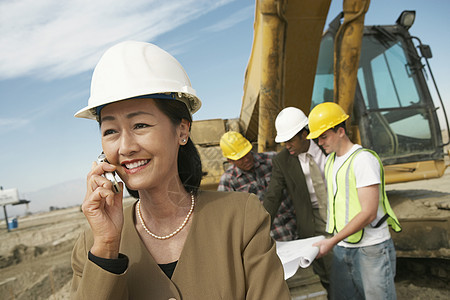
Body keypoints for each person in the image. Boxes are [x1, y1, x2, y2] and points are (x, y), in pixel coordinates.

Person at [70, 41, 290, 299]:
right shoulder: (92, 247)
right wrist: (107, 248)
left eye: (140, 125)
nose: (125, 147)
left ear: (182, 130)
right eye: (110, 131)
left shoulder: (242, 217)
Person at [307, 102, 402, 300]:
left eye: (324, 136)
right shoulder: (332, 161)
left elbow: (368, 212)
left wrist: (331, 241)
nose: (320, 142)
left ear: (340, 131)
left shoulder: (363, 160)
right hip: (344, 247)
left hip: (371, 248)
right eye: (317, 138)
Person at [263, 107, 333, 293]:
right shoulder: (282, 161)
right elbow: (273, 195)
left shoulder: (327, 147)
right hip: (313, 218)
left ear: (304, 134)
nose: (287, 145)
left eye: (290, 140)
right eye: (284, 142)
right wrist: (259, 225)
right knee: (326, 270)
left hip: (341, 211)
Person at [218, 131, 297, 241]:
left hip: (295, 230)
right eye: (240, 158)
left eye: (247, 154)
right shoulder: (228, 181)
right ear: (229, 160)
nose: (246, 160)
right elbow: (227, 218)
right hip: (267, 241)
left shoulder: (272, 160)